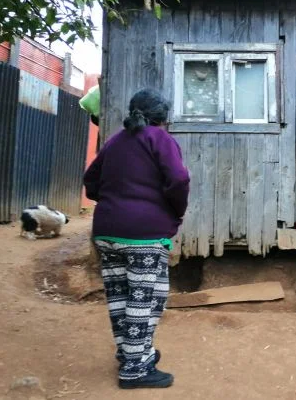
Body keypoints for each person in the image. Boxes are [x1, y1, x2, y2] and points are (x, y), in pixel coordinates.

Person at [83, 88, 190, 389]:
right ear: (163, 117)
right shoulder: (160, 139)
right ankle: (134, 369)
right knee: (148, 299)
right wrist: (175, 211)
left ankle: (134, 353)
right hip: (143, 234)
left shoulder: (115, 141)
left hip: (106, 231)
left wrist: (111, 199)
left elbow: (91, 181)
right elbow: (179, 180)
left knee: (120, 297)